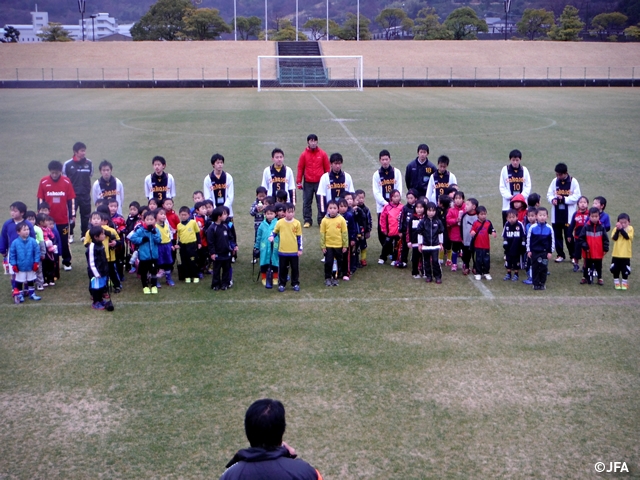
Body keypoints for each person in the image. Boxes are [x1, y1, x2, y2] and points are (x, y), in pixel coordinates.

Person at [219, 398, 323, 480]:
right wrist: (294, 462)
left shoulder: (230, 475)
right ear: (282, 430)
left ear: (247, 432)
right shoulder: (307, 473)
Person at [37, 160, 76, 270]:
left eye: (56, 173)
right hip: (47, 220)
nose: (54, 175)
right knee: (47, 241)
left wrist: (73, 215)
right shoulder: (43, 182)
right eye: (52, 173)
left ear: (60, 172)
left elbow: (71, 200)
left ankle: (66, 261)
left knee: (64, 240)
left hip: (62, 219)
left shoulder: (67, 182)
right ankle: (50, 261)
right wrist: (40, 215)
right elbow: (40, 199)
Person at [546, 162, 581, 263]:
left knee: (568, 236)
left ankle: (573, 255)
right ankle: (560, 254)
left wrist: (564, 199)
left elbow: (577, 197)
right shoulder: (554, 181)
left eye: (560, 174)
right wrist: (553, 200)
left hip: (568, 216)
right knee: (557, 236)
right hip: (556, 215)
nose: (558, 176)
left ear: (565, 173)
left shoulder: (573, 181)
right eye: (556, 174)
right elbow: (549, 194)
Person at [83, 211, 122, 293]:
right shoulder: (89, 232)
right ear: (90, 221)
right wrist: (94, 246)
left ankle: (117, 285)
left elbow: (118, 240)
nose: (96, 220)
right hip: (97, 259)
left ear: (102, 220)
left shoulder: (109, 230)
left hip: (109, 257)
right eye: (94, 219)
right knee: (97, 274)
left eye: (98, 219)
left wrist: (114, 243)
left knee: (112, 272)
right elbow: (86, 244)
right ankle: (99, 290)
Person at [296, 134, 330, 227]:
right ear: (308, 142)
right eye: (311, 141)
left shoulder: (323, 154)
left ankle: (321, 220)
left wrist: (329, 180)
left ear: (317, 142)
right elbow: (300, 168)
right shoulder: (304, 154)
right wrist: (299, 181)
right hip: (308, 182)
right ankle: (307, 220)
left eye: (315, 141)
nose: (313, 143)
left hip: (320, 182)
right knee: (307, 202)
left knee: (321, 202)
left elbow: (327, 168)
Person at [372, 149, 403, 247]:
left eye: (386, 159)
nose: (385, 161)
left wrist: (394, 203)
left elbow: (399, 188)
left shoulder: (396, 172)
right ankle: (385, 248)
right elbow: (376, 192)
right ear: (380, 160)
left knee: (394, 227)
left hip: (395, 206)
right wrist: (386, 204)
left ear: (390, 159)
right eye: (383, 159)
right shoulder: (376, 174)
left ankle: (395, 248)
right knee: (382, 227)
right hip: (382, 207)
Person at [269, 203, 302, 292]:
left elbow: (299, 237)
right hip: (283, 251)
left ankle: (295, 283)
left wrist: (299, 249)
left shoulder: (297, 223)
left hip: (294, 252)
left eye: (292, 212)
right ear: (284, 213)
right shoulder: (280, 222)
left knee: (295, 269)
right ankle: (282, 284)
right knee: (283, 268)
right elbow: (274, 231)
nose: (290, 214)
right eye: (288, 212)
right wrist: (272, 236)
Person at [63, 142, 93, 241]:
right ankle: (70, 234)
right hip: (72, 196)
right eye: (82, 151)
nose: (84, 153)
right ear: (76, 152)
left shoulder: (89, 163)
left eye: (84, 150)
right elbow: (65, 179)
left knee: (85, 215)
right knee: (71, 216)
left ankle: (84, 234)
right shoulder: (67, 164)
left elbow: (90, 175)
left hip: (85, 194)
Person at [129, 210, 162, 294]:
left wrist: (154, 233)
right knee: (144, 272)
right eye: (147, 219)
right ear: (144, 220)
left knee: (153, 271)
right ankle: (145, 286)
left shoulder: (156, 230)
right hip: (144, 256)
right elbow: (133, 238)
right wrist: (142, 239)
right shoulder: (141, 230)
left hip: (153, 256)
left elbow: (158, 240)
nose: (149, 221)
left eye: (151, 219)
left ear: (155, 220)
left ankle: (154, 286)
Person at [9, 221, 41, 303]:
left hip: (30, 266)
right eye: (24, 230)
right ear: (18, 232)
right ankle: (20, 294)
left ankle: (32, 294)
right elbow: (12, 254)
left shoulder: (33, 241)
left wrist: (36, 262)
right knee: (19, 281)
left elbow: (37, 252)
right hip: (20, 267)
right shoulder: (15, 243)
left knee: (31, 280)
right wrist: (14, 264)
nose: (27, 231)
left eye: (27, 229)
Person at [499, 149, 531, 226]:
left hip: (522, 207)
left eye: (517, 160)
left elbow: (528, 185)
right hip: (507, 206)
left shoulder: (524, 170)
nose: (515, 162)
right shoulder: (505, 170)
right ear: (510, 159)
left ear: (520, 159)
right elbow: (502, 186)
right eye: (513, 160)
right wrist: (510, 197)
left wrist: (520, 197)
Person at [207, 207, 236, 291]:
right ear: (219, 216)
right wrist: (212, 253)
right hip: (217, 254)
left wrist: (234, 246)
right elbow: (210, 242)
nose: (226, 215)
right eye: (224, 214)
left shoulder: (225, 226)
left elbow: (231, 238)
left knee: (226, 269)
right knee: (216, 270)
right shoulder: (212, 228)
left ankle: (225, 284)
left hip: (226, 253)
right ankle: (216, 284)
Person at [578, 207, 609, 285]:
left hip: (598, 252)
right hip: (588, 252)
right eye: (592, 216)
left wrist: (605, 248)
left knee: (599, 266)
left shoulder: (602, 227)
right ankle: (584, 277)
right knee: (586, 265)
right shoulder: (586, 227)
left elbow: (605, 239)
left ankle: (599, 278)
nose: (594, 218)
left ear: (599, 216)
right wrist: (585, 247)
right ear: (589, 216)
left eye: (596, 216)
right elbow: (581, 238)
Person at [320, 200, 348, 287]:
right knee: (329, 262)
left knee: (338, 262)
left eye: (334, 208)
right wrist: (323, 246)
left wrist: (345, 245)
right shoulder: (324, 220)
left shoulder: (341, 220)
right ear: (327, 209)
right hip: (328, 246)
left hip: (338, 246)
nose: (332, 210)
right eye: (330, 208)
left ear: (338, 209)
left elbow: (344, 233)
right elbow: (322, 234)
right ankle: (328, 278)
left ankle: (335, 277)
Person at [317, 153, 355, 217]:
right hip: (331, 212)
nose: (337, 166)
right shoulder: (325, 177)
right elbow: (321, 196)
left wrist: (350, 209)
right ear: (331, 164)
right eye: (335, 163)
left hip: (345, 212)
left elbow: (351, 194)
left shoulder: (347, 176)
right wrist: (323, 212)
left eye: (339, 163)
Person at [86, 225, 114, 311]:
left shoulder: (100, 244)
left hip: (102, 271)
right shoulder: (92, 247)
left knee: (101, 287)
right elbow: (91, 262)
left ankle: (101, 300)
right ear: (95, 237)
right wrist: (96, 273)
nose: (104, 235)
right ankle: (96, 302)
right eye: (102, 234)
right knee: (96, 288)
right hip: (96, 273)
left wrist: (106, 270)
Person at [527, 207, 555, 291]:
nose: (542, 217)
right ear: (536, 216)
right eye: (540, 215)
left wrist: (550, 251)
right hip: (535, 252)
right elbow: (529, 239)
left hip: (544, 253)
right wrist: (529, 250)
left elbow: (552, 240)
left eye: (544, 215)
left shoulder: (549, 228)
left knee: (543, 268)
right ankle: (535, 284)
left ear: (547, 216)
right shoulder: (532, 228)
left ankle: (542, 283)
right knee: (535, 268)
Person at [417, 202, 444, 283]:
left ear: (435, 211)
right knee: (426, 262)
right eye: (429, 210)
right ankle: (428, 276)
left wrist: (441, 243)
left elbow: (440, 233)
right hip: (425, 246)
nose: (431, 212)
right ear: (426, 211)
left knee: (435, 261)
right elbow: (420, 234)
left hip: (435, 246)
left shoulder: (438, 222)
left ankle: (438, 276)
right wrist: (420, 244)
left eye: (433, 211)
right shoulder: (423, 222)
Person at [254, 206, 279, 287]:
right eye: (268, 214)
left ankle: (275, 277)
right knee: (264, 262)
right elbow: (258, 236)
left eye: (271, 213)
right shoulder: (262, 225)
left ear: (275, 214)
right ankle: (264, 278)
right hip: (264, 247)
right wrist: (256, 246)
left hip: (275, 246)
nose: (270, 215)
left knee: (275, 261)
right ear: (265, 214)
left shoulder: (278, 223)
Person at [469, 206, 497, 280]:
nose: (483, 216)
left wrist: (493, 232)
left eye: (485, 214)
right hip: (477, 245)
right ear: (477, 215)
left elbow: (491, 229)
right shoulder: (475, 223)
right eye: (481, 214)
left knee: (486, 260)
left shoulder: (488, 223)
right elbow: (472, 230)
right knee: (478, 259)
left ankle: (486, 272)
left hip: (486, 246)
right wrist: (472, 232)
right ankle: (478, 273)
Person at [204, 153, 235, 219]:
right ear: (213, 164)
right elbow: (208, 197)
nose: (220, 165)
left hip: (227, 212)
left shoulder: (228, 177)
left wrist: (224, 209)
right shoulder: (208, 179)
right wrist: (215, 209)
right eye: (217, 163)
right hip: (213, 212)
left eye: (221, 162)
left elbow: (230, 196)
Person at [176, 206, 201, 284]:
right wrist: (178, 244)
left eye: (185, 215)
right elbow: (179, 237)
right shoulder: (179, 225)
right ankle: (187, 276)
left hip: (192, 245)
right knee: (184, 261)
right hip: (183, 246)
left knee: (192, 261)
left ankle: (195, 276)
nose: (183, 216)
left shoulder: (193, 223)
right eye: (182, 215)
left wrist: (199, 243)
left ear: (189, 215)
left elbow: (197, 233)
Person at [378, 189, 403, 265]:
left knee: (397, 246)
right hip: (389, 231)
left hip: (398, 231)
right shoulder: (387, 207)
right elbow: (382, 219)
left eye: (398, 196)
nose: (396, 198)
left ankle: (395, 259)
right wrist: (384, 229)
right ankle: (382, 257)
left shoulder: (402, 207)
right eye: (394, 196)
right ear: (391, 198)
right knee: (386, 244)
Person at [502, 209, 526, 281]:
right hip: (509, 248)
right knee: (508, 261)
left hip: (517, 247)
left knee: (516, 262)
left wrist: (523, 244)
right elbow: (504, 235)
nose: (511, 219)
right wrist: (505, 243)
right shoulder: (506, 225)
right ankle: (508, 273)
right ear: (507, 218)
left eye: (513, 217)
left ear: (517, 217)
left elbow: (523, 235)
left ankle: (516, 274)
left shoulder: (520, 224)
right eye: (509, 217)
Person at [610, 213, 633, 290]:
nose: (623, 224)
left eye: (625, 222)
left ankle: (624, 283)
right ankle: (616, 282)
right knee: (615, 269)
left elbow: (627, 237)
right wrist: (618, 230)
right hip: (616, 254)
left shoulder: (630, 229)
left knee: (625, 270)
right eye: (621, 223)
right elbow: (614, 238)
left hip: (626, 254)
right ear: (618, 222)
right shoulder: (615, 229)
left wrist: (621, 229)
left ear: (629, 222)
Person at [568, 196, 590, 272]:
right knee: (576, 252)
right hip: (577, 237)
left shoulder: (590, 214)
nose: (583, 204)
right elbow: (572, 225)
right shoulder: (575, 214)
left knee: (586, 253)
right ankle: (576, 265)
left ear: (587, 204)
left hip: (587, 238)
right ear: (578, 204)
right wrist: (569, 235)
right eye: (581, 202)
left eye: (584, 202)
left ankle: (585, 266)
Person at [155, 208, 176, 287]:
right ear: (156, 216)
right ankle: (155, 280)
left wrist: (171, 245)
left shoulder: (167, 226)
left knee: (168, 263)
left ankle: (168, 279)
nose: (163, 216)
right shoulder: (155, 227)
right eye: (161, 214)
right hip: (159, 246)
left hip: (167, 246)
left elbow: (169, 236)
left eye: (164, 214)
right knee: (158, 264)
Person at [398, 189, 418, 269]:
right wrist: (400, 230)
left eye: (411, 198)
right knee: (404, 247)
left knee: (415, 246)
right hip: (405, 231)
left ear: (416, 198)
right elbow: (401, 219)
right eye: (408, 198)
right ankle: (403, 261)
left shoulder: (418, 207)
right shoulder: (405, 208)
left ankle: (416, 261)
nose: (409, 200)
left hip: (415, 232)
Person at [446, 191, 465, 272]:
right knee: (455, 249)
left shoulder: (466, 209)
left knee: (465, 249)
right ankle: (454, 264)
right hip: (455, 233)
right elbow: (448, 220)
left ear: (463, 199)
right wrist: (456, 220)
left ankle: (465, 263)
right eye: (456, 198)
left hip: (464, 234)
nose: (458, 200)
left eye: (459, 198)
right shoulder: (451, 210)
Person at [353, 190, 372, 267]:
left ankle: (363, 259)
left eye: (362, 198)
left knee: (363, 246)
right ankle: (356, 261)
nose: (361, 200)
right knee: (356, 247)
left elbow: (369, 220)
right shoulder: (353, 209)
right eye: (358, 198)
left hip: (363, 232)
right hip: (356, 232)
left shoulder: (366, 209)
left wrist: (368, 231)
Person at [460, 198, 479, 276]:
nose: (465, 206)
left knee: (475, 254)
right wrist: (462, 238)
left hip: (476, 240)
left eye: (468, 204)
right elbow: (461, 227)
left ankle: (475, 267)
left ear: (474, 207)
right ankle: (466, 266)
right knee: (466, 255)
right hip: (466, 240)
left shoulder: (478, 216)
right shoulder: (464, 216)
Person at [408, 200, 426, 278]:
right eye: (417, 207)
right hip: (415, 242)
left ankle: (424, 272)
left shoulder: (426, 219)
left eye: (421, 207)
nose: (419, 209)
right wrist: (409, 241)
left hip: (425, 242)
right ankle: (415, 272)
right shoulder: (412, 218)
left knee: (424, 258)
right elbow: (408, 231)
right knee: (415, 258)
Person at [250, 186, 268, 252]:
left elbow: (272, 212)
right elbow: (251, 213)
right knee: (257, 240)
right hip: (258, 225)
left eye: (263, 196)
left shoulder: (267, 203)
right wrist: (256, 209)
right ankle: (255, 255)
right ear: (256, 195)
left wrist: (266, 208)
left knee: (266, 239)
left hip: (266, 225)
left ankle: (265, 253)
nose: (262, 198)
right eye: (260, 196)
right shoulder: (255, 203)